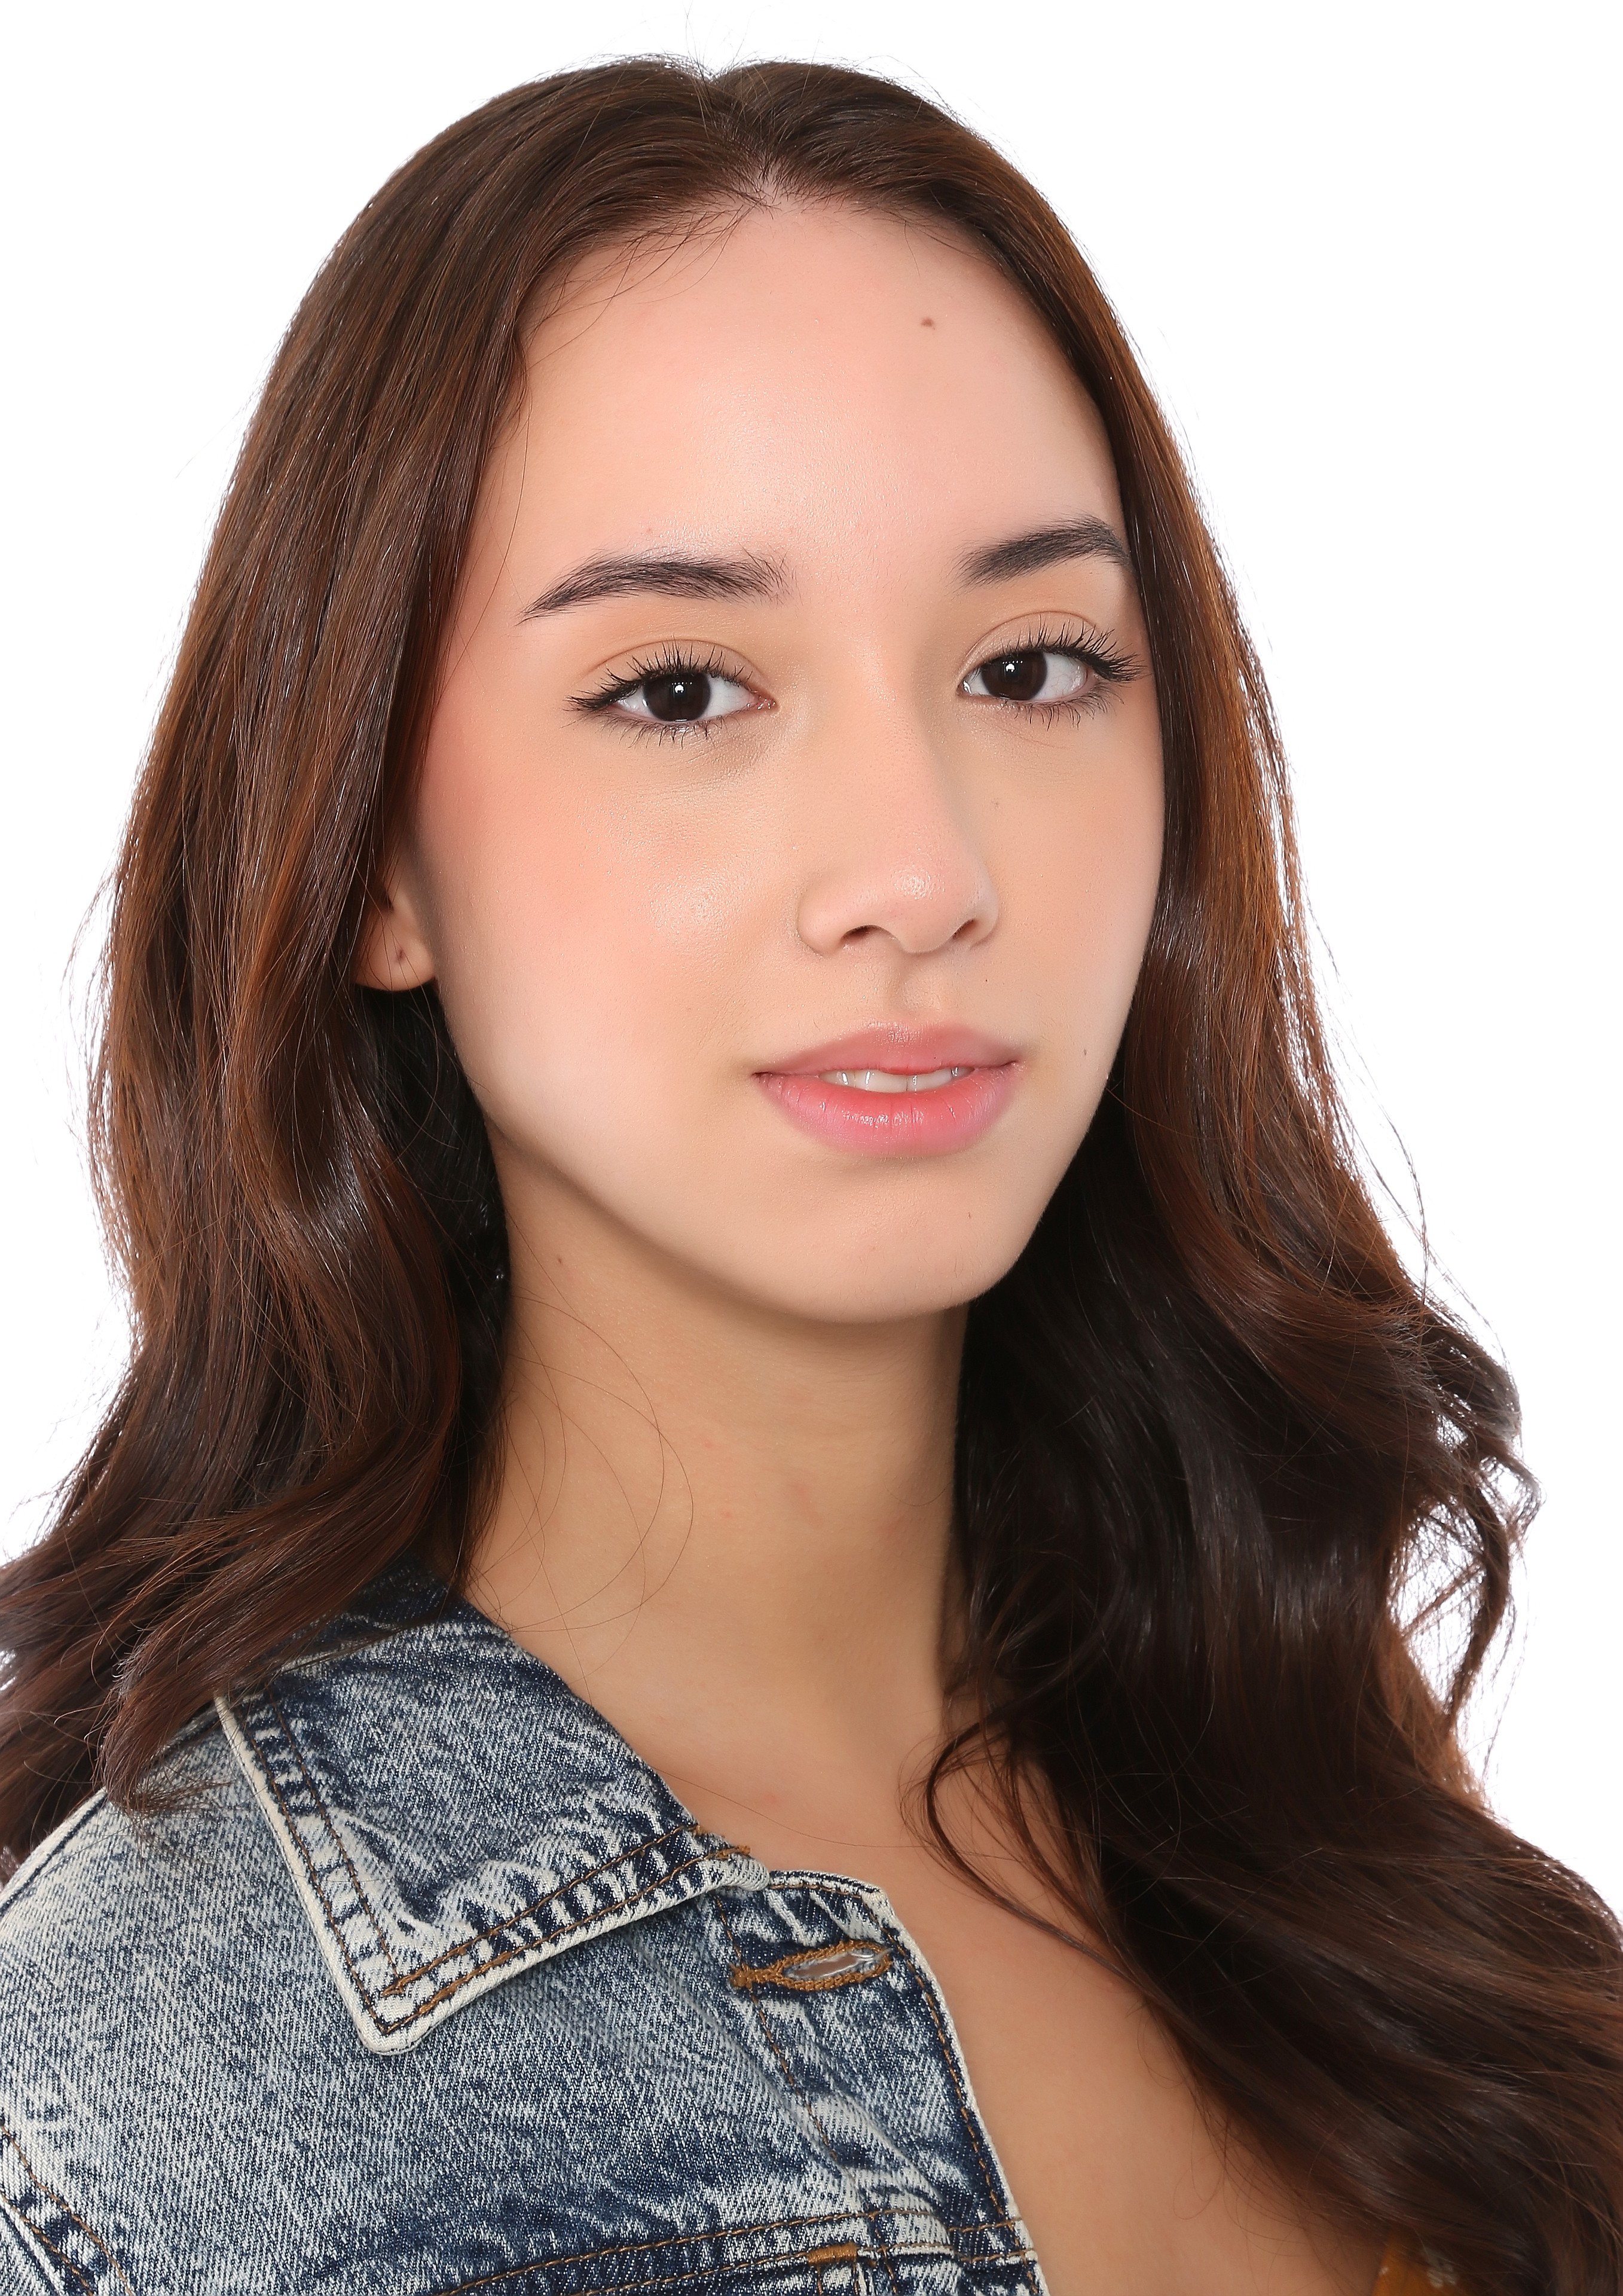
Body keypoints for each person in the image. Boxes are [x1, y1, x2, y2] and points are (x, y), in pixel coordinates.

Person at [0, 57, 1616, 2296]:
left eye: (1030, 666)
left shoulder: (1347, 1813)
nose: (921, 871)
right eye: (682, 691)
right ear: (373, 854)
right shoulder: (126, 2117)